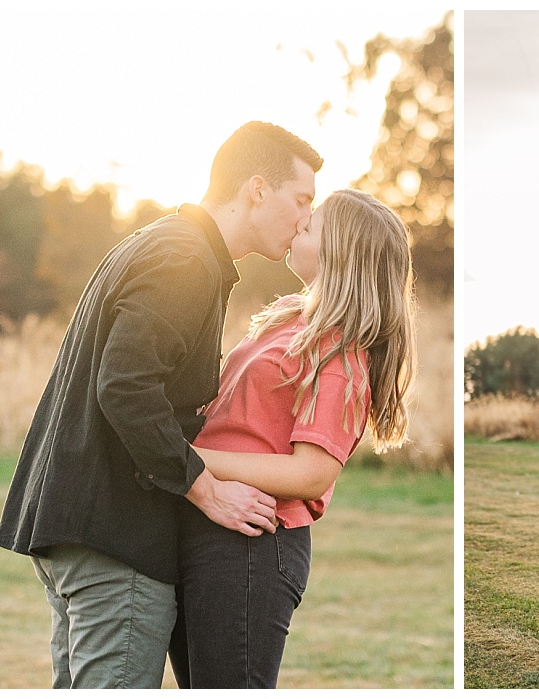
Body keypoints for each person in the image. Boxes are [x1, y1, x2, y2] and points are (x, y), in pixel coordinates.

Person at [0, 121, 324, 689]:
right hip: (117, 537)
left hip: (81, 528)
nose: (304, 219)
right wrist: (205, 486)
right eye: (301, 200)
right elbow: (125, 386)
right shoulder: (184, 258)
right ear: (256, 190)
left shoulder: (165, 242)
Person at [166, 188, 418, 688]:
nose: (300, 218)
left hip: (254, 544)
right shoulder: (289, 317)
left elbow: (312, 472)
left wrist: (192, 459)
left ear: (340, 252)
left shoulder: (339, 352)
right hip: (210, 523)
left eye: (312, 221)